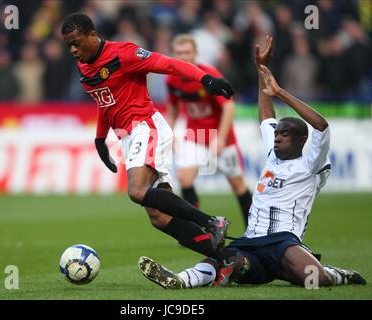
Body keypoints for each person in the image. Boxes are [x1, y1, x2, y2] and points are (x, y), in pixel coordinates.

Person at [138, 36, 366, 289]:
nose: (277, 137)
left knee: (315, 279)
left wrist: (280, 93)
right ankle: (180, 279)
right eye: (277, 133)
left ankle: (335, 274)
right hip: (250, 242)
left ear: (302, 140)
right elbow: (266, 116)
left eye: (284, 134)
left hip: (283, 242)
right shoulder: (273, 152)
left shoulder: (311, 163)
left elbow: (322, 126)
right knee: (222, 260)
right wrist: (262, 72)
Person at [61, 13, 234, 259]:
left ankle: (212, 222)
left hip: (147, 126)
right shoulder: (83, 65)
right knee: (159, 217)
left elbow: (170, 64)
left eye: (77, 42)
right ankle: (228, 258)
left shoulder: (125, 54)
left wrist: (205, 78)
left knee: (136, 191)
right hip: (128, 137)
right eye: (69, 45)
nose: (73, 49)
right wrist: (100, 139)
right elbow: (105, 101)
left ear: (92, 35)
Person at [166, 34, 252, 226]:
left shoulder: (208, 75)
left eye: (187, 52)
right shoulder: (172, 79)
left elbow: (229, 107)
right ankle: (194, 228)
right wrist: (169, 134)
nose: (183, 56)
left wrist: (220, 139)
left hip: (222, 138)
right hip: (194, 136)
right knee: (184, 178)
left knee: (237, 185)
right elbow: (172, 108)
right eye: (179, 52)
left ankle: (254, 229)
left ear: (195, 53)